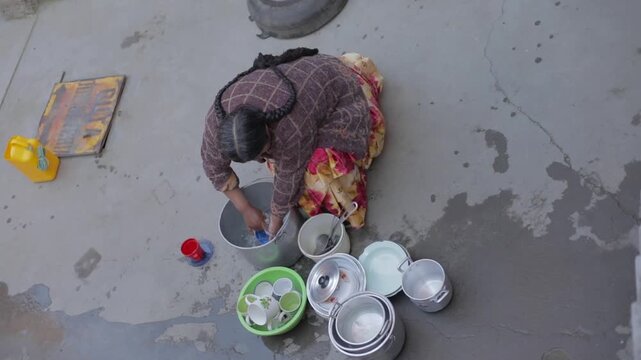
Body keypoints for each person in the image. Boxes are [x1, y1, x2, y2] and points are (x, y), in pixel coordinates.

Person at [201, 48, 385, 236]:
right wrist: (245, 209)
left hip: (336, 91)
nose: (262, 159)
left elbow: (289, 175)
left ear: (267, 129)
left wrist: (274, 222)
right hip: (296, 88)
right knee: (286, 169)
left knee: (316, 169)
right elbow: (214, 167)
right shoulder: (217, 123)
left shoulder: (291, 125)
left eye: (263, 152)